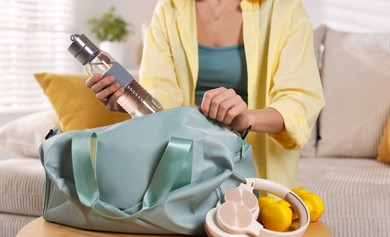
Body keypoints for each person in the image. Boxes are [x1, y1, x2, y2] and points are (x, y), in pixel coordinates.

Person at [86, 0, 325, 189]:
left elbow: (299, 100)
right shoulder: (168, 9)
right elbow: (162, 94)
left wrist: (247, 119)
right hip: (187, 170)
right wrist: (132, 102)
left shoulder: (285, 8)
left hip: (261, 175)